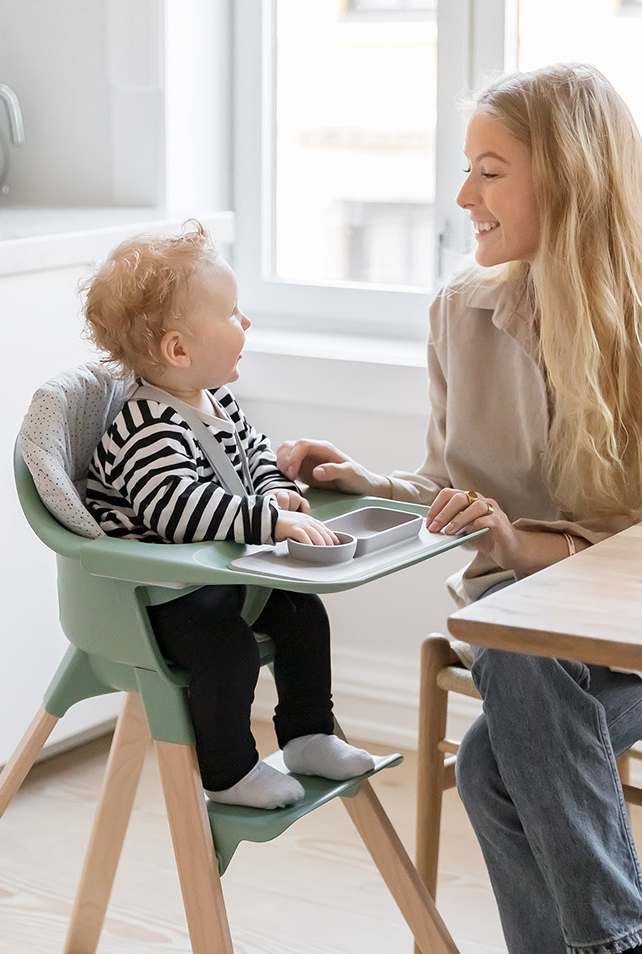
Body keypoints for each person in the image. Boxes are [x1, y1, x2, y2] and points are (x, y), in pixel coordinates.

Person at [277, 65, 642, 954]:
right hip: (534, 637)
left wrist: (521, 549)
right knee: (511, 687)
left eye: (490, 170)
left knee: (492, 752)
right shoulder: (460, 314)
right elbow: (458, 489)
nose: (461, 196)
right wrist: (365, 482)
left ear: (568, 177)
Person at [82, 221, 375, 811]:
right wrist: (268, 523)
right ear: (179, 349)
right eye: (233, 314)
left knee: (302, 613)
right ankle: (229, 770)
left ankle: (307, 733)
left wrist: (278, 495)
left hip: (218, 575)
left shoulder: (217, 402)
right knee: (227, 650)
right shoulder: (145, 426)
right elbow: (178, 511)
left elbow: (255, 458)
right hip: (159, 593)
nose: (246, 324)